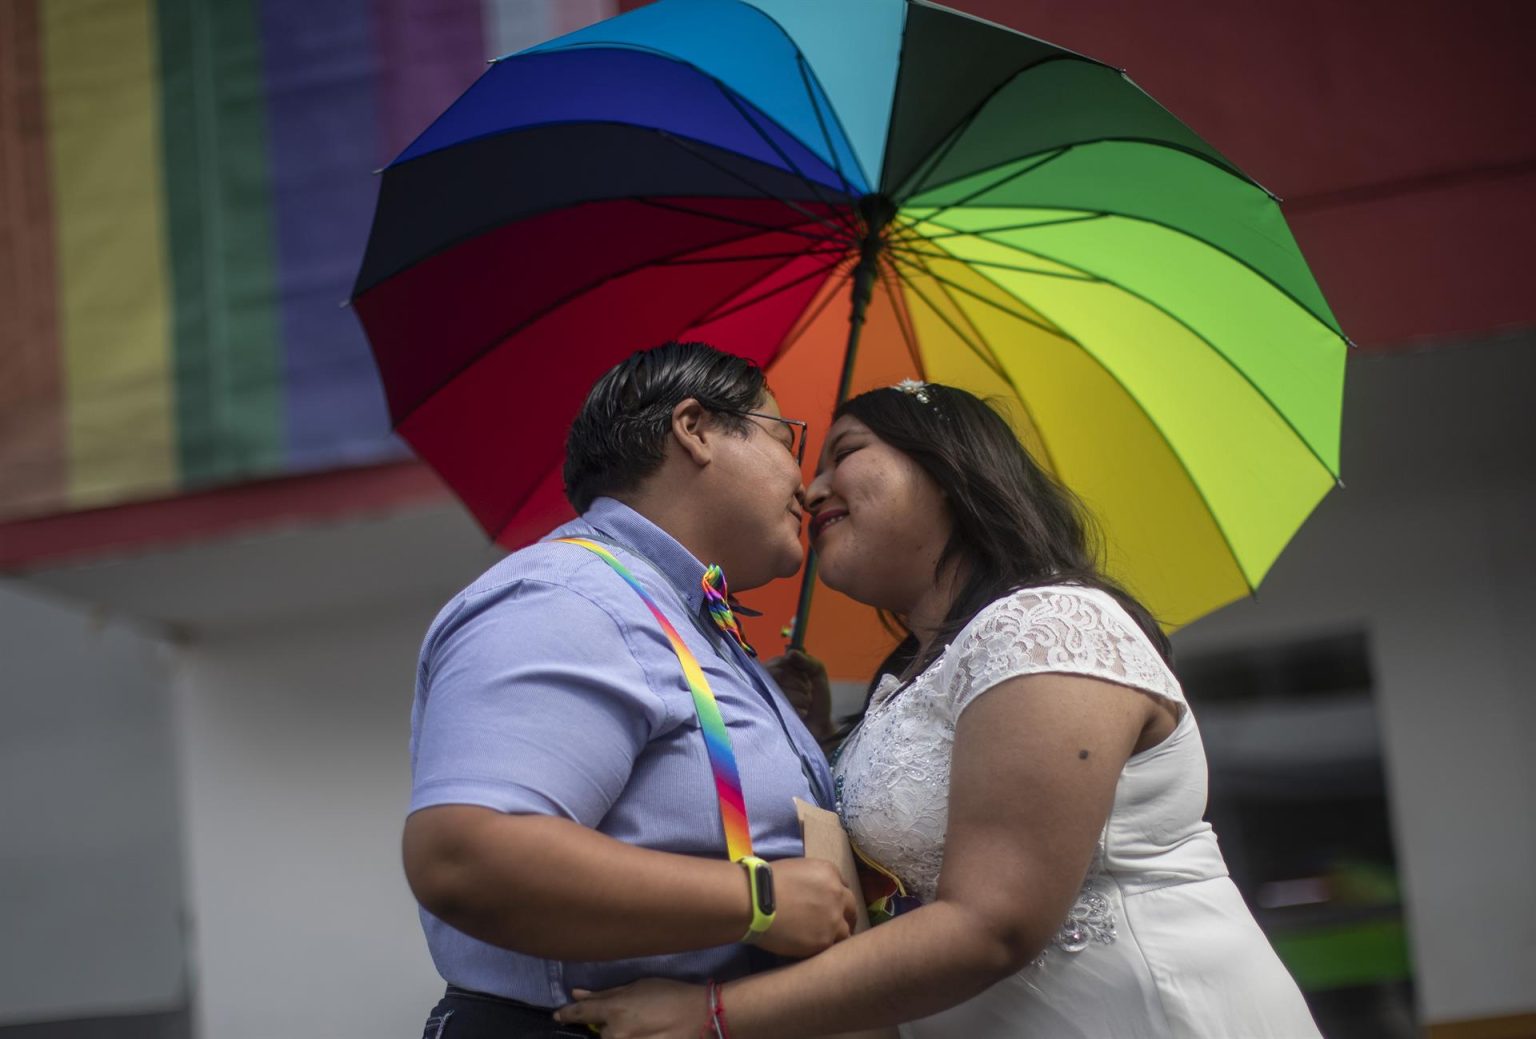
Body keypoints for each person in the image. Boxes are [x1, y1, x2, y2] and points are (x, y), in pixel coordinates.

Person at [555, 381, 1322, 1038]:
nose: (811, 488)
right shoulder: (906, 683)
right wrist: (806, 736)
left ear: (948, 470)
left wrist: (715, 1014)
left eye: (845, 452)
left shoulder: (1049, 623)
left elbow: (995, 921)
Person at [404, 341, 859, 1038]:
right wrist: (759, 899)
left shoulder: (682, 618)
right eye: (785, 438)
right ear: (695, 428)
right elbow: (465, 853)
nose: (807, 483)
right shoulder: (570, 597)